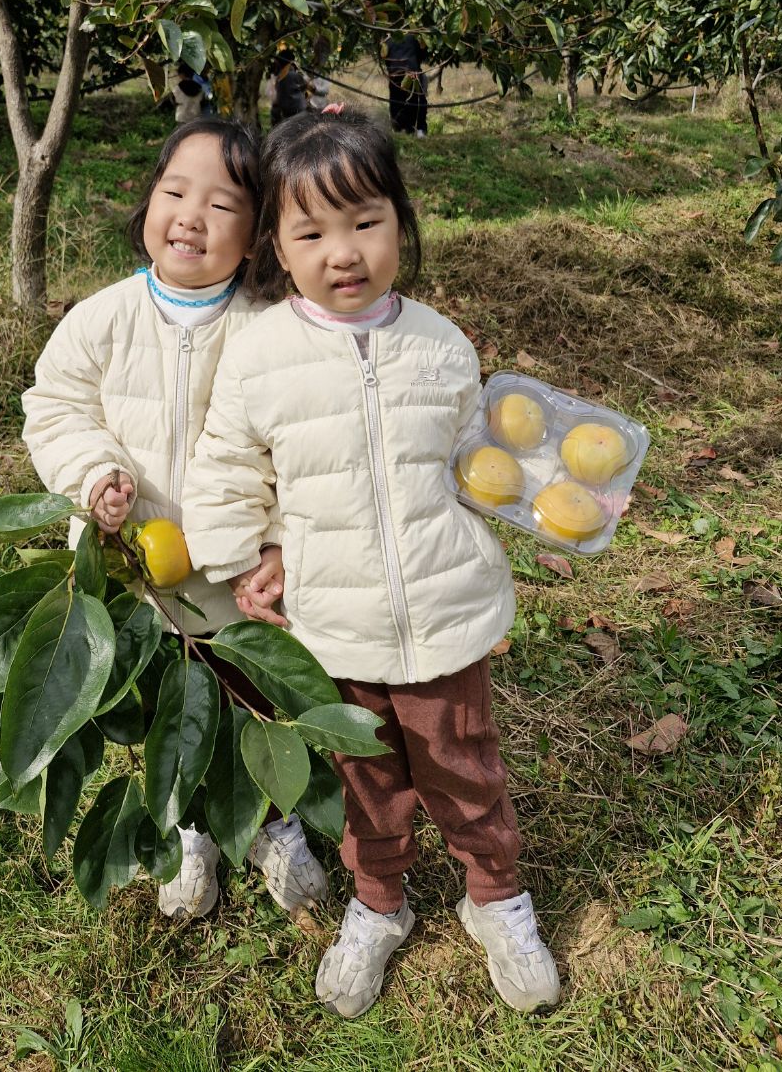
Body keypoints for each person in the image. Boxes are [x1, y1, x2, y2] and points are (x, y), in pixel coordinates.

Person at [183, 106, 559, 1019]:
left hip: (444, 611)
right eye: (311, 232)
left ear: (401, 222)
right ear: (277, 244)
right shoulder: (260, 354)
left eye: (365, 222)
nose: (343, 252)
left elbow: (477, 461)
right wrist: (245, 555)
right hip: (337, 622)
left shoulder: (441, 343)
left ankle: (495, 895)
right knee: (368, 782)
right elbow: (226, 465)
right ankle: (379, 901)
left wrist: (550, 483)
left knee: (463, 767)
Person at [21, 118, 327, 921]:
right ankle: (190, 826)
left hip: (236, 584)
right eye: (175, 191)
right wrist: (95, 474)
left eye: (221, 204)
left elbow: (301, 446)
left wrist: (276, 542)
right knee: (169, 711)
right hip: (136, 577)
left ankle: (273, 819)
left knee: (252, 698)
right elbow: (55, 407)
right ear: (149, 202)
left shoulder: (271, 331)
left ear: (256, 237)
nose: (191, 215)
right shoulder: (104, 317)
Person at [384, 33, 428, 136]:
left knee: (396, 102)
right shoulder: (414, 37)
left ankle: (399, 129)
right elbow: (422, 54)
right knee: (417, 101)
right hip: (411, 72)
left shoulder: (388, 40)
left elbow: (386, 58)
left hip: (395, 73)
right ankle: (419, 129)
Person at [268, 48, 309, 123]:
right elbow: (308, 84)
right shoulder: (293, 75)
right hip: (297, 111)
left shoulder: (279, 77)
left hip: (287, 112)